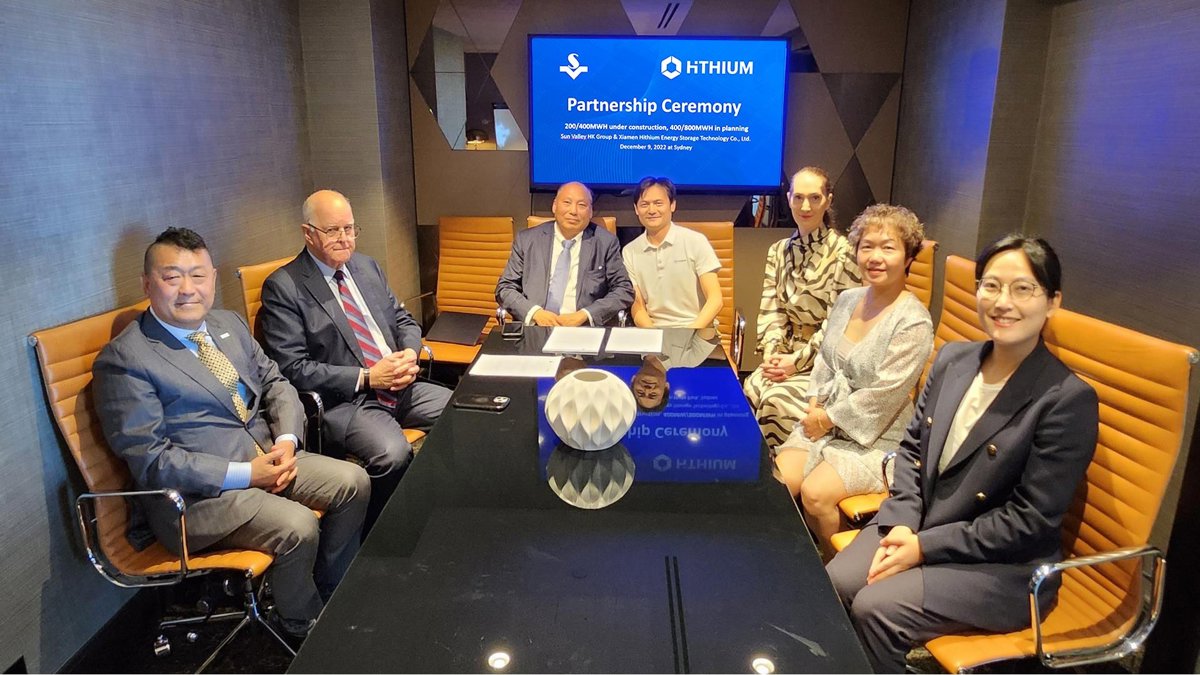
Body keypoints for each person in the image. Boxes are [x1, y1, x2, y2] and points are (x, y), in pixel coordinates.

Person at [825, 235, 1099, 672]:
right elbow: (912, 449)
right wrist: (903, 521)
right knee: (833, 582)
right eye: (991, 286)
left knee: (876, 607)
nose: (1003, 302)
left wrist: (923, 546)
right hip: (919, 524)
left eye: (1023, 289)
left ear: (1052, 302)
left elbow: (1028, 521)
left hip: (1002, 567)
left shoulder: (1066, 399)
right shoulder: (954, 358)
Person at [93, 228, 370, 639]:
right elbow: (152, 460)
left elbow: (277, 384)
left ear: (213, 278)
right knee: (297, 525)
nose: (188, 289)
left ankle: (328, 591)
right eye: (172, 277)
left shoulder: (228, 324)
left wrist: (286, 441)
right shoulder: (126, 360)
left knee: (353, 482)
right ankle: (304, 623)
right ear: (147, 284)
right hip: (198, 499)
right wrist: (246, 474)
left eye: (198, 275)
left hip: (267, 457)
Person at [259, 190, 452, 528]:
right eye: (333, 230)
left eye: (349, 228)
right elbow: (292, 368)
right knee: (392, 453)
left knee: (460, 412)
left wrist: (409, 353)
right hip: (347, 402)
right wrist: (367, 377)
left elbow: (404, 320)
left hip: (400, 386)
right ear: (308, 233)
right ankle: (382, 533)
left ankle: (434, 507)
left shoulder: (366, 267)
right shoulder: (284, 287)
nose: (345, 238)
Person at [774, 205, 933, 557]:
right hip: (826, 421)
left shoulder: (913, 321)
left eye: (888, 248)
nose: (875, 257)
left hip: (877, 435)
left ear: (908, 257)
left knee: (815, 494)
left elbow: (884, 395)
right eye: (867, 246)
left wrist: (826, 418)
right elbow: (825, 361)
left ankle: (831, 572)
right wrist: (815, 405)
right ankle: (799, 558)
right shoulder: (848, 300)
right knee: (778, 483)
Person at [744, 167, 862, 448]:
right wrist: (773, 355)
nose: (805, 206)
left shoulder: (845, 253)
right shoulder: (778, 251)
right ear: (788, 199)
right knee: (750, 389)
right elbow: (771, 309)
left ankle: (783, 471)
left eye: (814, 198)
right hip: (785, 355)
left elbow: (837, 326)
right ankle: (760, 468)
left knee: (775, 401)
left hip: (824, 363)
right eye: (798, 197)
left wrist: (795, 363)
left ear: (828, 200)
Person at [496, 181, 633, 327]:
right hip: (535, 327)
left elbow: (624, 289)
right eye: (567, 202)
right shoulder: (527, 240)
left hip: (582, 329)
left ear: (590, 212)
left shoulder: (605, 242)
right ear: (554, 206)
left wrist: (585, 314)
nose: (573, 211)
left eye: (582, 205)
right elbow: (505, 287)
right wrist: (535, 313)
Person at [621, 176, 723, 328]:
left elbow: (715, 299)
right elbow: (638, 307)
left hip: (697, 327)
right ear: (636, 209)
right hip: (655, 330)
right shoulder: (630, 251)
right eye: (644, 204)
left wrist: (688, 334)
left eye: (658, 203)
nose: (651, 210)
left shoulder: (695, 241)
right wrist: (655, 336)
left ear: (672, 205)